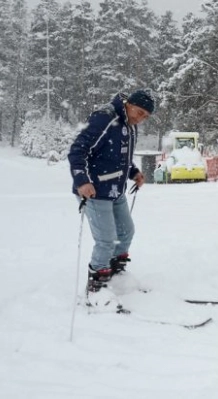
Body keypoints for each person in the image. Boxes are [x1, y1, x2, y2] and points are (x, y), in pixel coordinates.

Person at [68, 89, 154, 304]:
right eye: (139, 112)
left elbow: (117, 156)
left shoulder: (130, 126)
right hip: (94, 191)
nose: (140, 118)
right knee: (106, 240)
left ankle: (116, 277)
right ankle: (96, 290)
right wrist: (82, 181)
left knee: (126, 232)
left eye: (145, 116)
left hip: (116, 189)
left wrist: (133, 172)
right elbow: (78, 150)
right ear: (129, 104)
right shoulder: (105, 118)